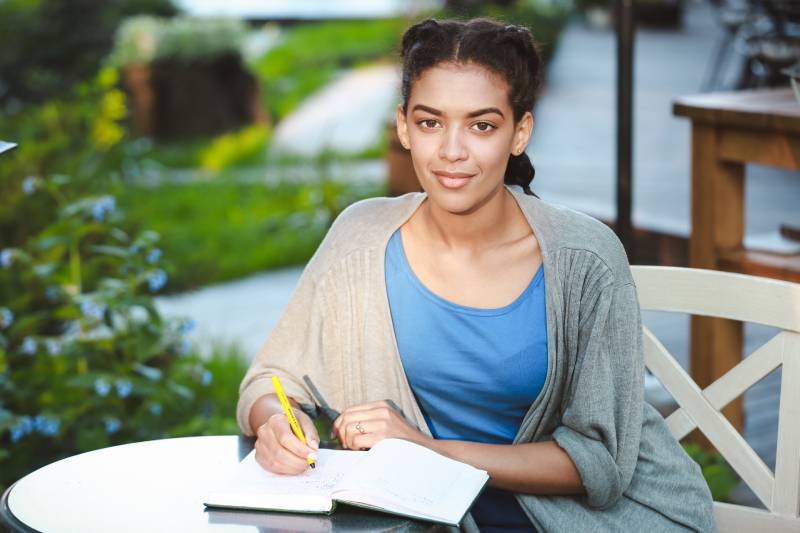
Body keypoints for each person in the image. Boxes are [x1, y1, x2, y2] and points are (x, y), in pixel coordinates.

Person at [237, 17, 716, 533]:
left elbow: (599, 461)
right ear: (403, 126)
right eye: (429, 123)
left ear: (520, 132)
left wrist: (426, 450)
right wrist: (277, 425)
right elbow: (271, 380)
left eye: (482, 125)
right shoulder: (360, 237)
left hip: (584, 520)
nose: (452, 151)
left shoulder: (585, 259)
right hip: (417, 518)